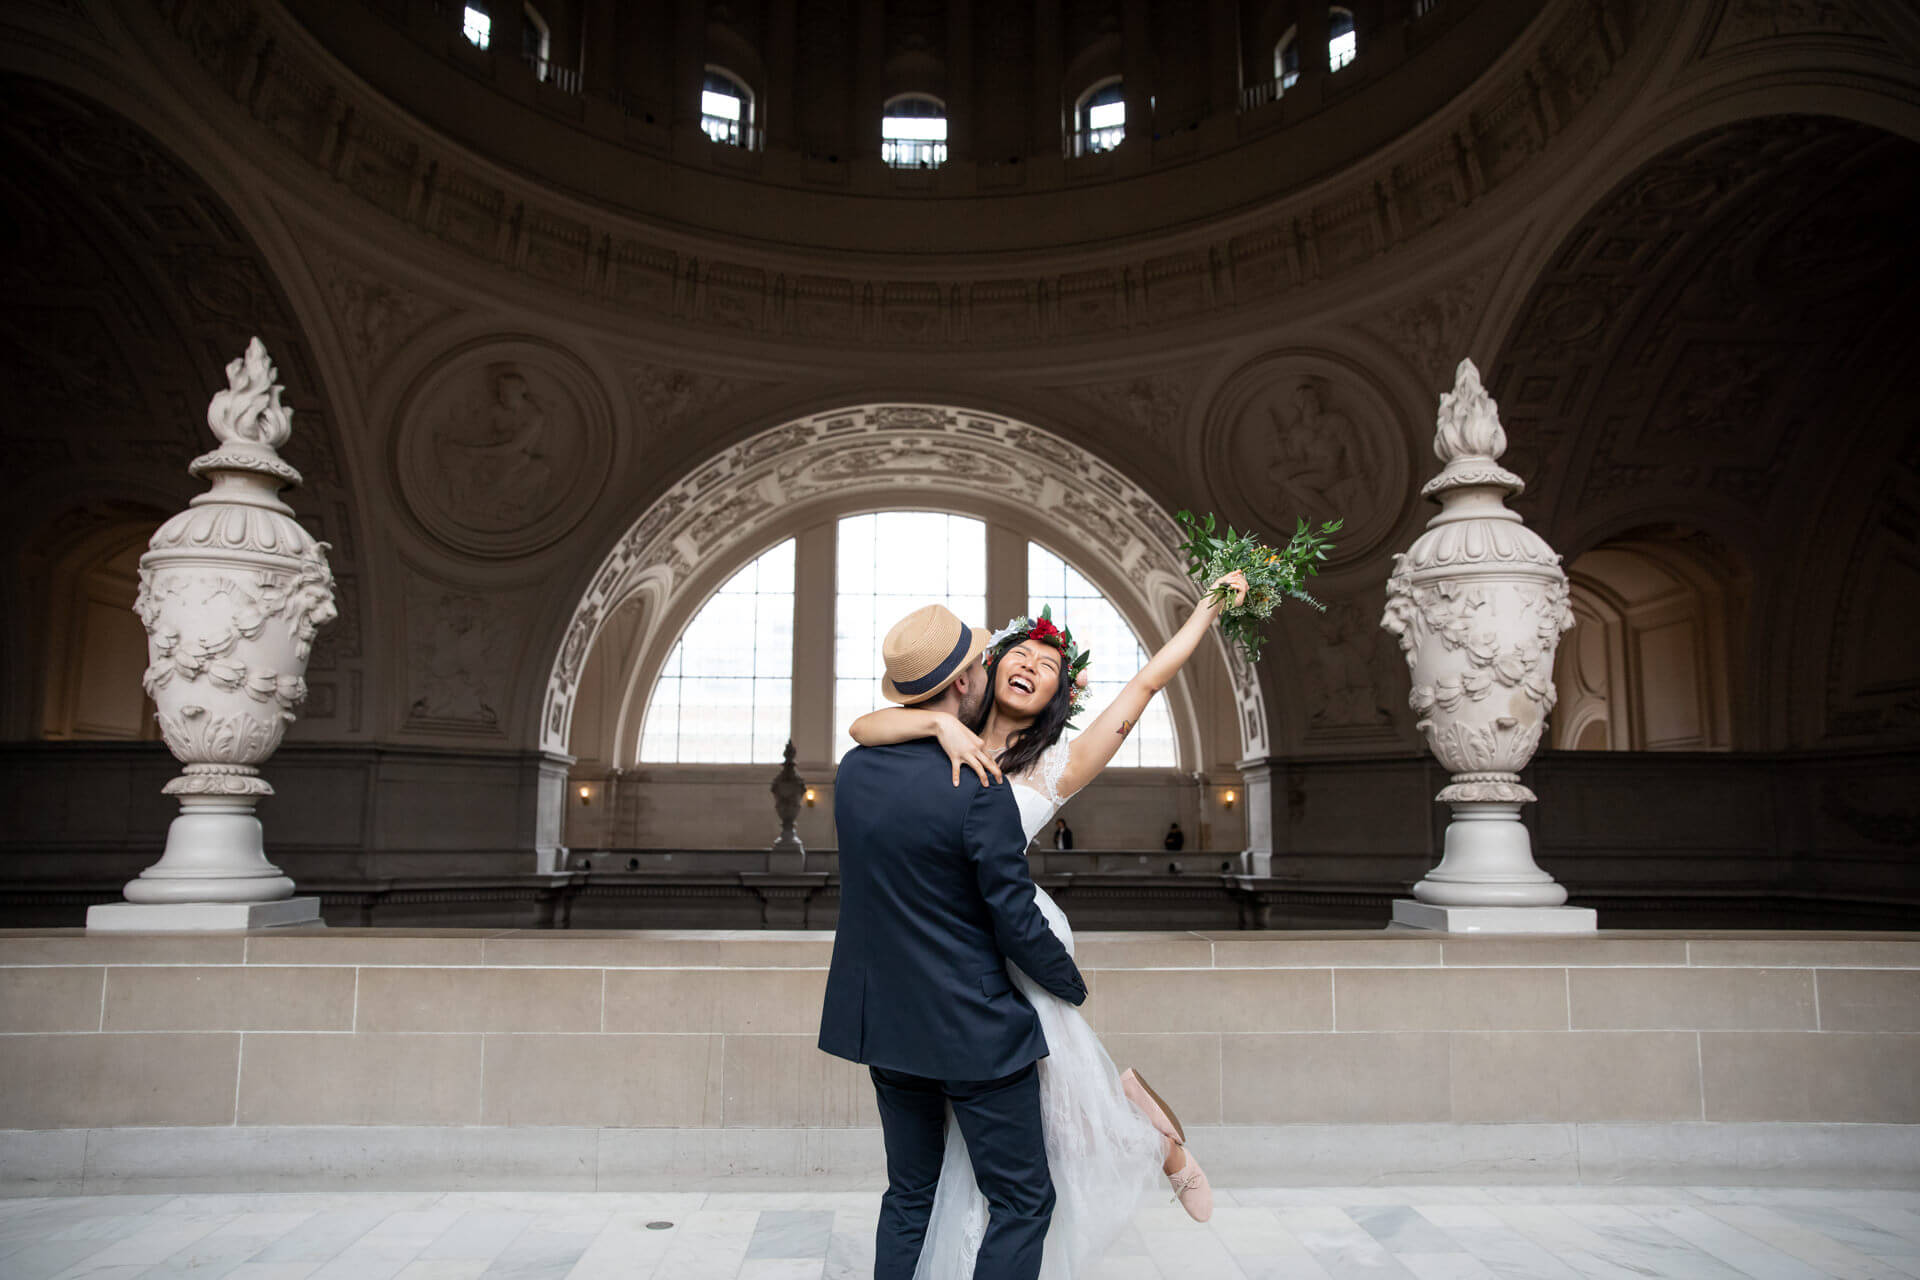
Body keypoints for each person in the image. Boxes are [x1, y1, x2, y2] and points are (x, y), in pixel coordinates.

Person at [849, 572, 1247, 1278]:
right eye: (1020, 654)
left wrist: (1208, 611)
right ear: (983, 672)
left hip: (1016, 941)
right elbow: (865, 725)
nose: (1031, 665)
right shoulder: (938, 735)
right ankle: (1135, 1118)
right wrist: (939, 721)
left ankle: (1158, 1143)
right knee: (995, 1141)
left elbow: (1147, 686)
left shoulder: (1059, 763)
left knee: (1059, 1119)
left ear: (1059, 693)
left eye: (1049, 665)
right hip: (953, 951)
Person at [820, 604, 1088, 1280]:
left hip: (884, 1023)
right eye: (977, 664)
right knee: (1024, 1200)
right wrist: (1069, 985)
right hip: (973, 1031)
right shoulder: (979, 788)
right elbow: (1014, 917)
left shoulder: (852, 773)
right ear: (965, 684)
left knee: (909, 1193)